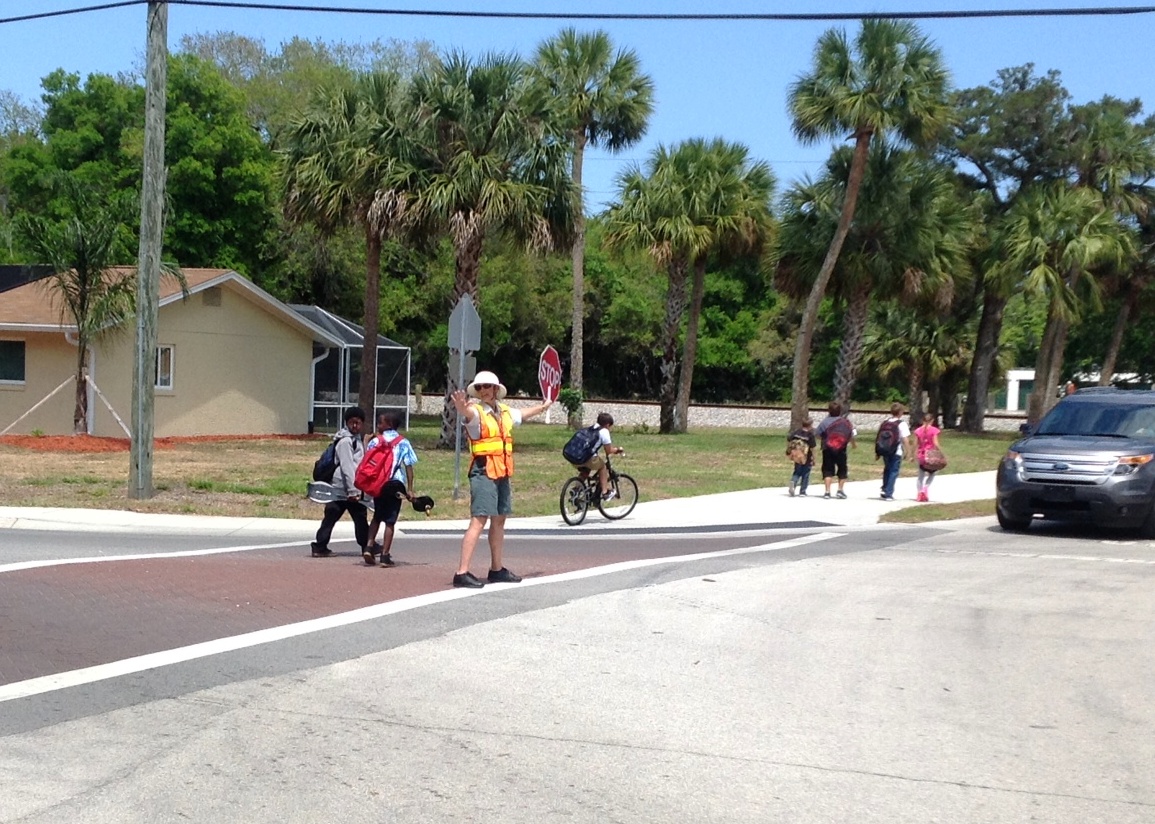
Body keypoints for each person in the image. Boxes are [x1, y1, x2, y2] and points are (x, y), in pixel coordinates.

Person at [450, 370, 553, 588]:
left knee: (499, 519)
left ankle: (496, 569)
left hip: (501, 471)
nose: (484, 390)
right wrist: (460, 407)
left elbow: (522, 414)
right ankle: (462, 572)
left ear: (496, 389)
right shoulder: (476, 412)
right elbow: (467, 413)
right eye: (479, 387)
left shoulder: (504, 412)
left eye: (487, 386)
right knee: (479, 520)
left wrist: (543, 407)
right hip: (483, 470)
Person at [362, 410, 418, 568]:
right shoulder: (403, 442)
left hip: (379, 483)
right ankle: (385, 555)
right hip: (395, 483)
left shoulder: (375, 441)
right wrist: (410, 489)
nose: (378, 425)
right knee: (390, 521)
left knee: (377, 516)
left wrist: (366, 442)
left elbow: (367, 460)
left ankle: (369, 546)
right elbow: (408, 466)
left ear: (389, 425)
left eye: (380, 422)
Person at [311, 406, 369, 558]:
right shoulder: (345, 441)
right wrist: (353, 491)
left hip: (342, 487)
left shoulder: (355, 439)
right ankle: (367, 546)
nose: (355, 426)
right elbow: (347, 467)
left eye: (358, 422)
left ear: (362, 423)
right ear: (346, 423)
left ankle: (320, 546)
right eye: (351, 422)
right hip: (342, 488)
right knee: (359, 516)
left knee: (333, 516)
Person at [573, 412, 625, 500]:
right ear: (608, 425)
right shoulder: (604, 431)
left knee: (586, 469)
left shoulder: (592, 428)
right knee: (603, 467)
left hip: (575, 457)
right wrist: (617, 450)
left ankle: (576, 489)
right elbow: (608, 451)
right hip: (587, 457)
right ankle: (605, 492)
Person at [815, 401, 856, 499]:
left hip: (827, 449)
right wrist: (853, 444)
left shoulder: (825, 422)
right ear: (840, 411)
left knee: (827, 469)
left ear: (829, 411)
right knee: (842, 469)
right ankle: (840, 490)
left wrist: (826, 440)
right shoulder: (845, 422)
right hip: (841, 449)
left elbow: (817, 434)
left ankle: (827, 492)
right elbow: (851, 435)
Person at [876, 402, 913, 501]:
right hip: (896, 451)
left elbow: (879, 437)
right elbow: (905, 439)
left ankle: (884, 489)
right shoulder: (901, 424)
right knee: (893, 471)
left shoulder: (885, 422)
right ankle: (889, 493)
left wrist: (877, 452)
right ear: (900, 412)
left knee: (887, 469)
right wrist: (908, 452)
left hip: (885, 450)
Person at [913, 413, 942, 502]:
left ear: (923, 420)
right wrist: (941, 453)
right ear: (932, 421)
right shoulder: (934, 430)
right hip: (931, 455)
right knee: (933, 472)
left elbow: (915, 444)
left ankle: (919, 493)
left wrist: (912, 455)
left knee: (920, 476)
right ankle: (926, 488)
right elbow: (936, 443)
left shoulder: (918, 431)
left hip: (921, 455)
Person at [786, 417, 816, 497]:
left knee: (797, 471)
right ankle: (802, 491)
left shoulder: (797, 432)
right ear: (810, 425)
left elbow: (789, 438)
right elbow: (812, 448)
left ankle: (793, 482)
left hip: (797, 456)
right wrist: (814, 458)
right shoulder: (810, 435)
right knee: (805, 474)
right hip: (806, 457)